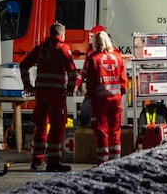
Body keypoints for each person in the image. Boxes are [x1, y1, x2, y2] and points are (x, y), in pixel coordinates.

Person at [20, 22, 77, 172]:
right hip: (56, 95)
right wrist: (70, 89)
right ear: (62, 35)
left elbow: (24, 65)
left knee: (40, 126)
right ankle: (53, 161)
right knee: (57, 127)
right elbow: (72, 71)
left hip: (40, 94)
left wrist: (28, 85)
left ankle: (37, 160)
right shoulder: (63, 50)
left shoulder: (40, 50)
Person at [83, 31, 127, 164]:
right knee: (115, 130)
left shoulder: (93, 58)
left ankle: (103, 162)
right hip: (115, 100)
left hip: (100, 101)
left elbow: (90, 82)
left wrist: (90, 97)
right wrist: (120, 95)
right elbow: (123, 81)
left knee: (102, 130)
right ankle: (116, 161)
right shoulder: (118, 57)